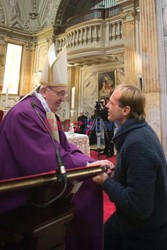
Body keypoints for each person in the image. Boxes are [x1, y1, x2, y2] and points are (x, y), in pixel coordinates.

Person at [0, 44, 113, 250]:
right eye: (60, 93)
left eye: (64, 94)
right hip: (19, 196)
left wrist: (89, 162)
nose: (63, 98)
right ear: (44, 90)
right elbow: (47, 160)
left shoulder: (43, 111)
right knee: (87, 188)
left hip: (34, 187)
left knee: (89, 182)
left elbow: (63, 147)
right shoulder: (25, 114)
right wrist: (89, 165)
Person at [93, 84, 167, 250]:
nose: (107, 106)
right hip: (133, 222)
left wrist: (106, 182)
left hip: (145, 233)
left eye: (111, 103)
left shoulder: (138, 143)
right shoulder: (136, 132)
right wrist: (116, 176)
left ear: (125, 110)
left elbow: (139, 207)